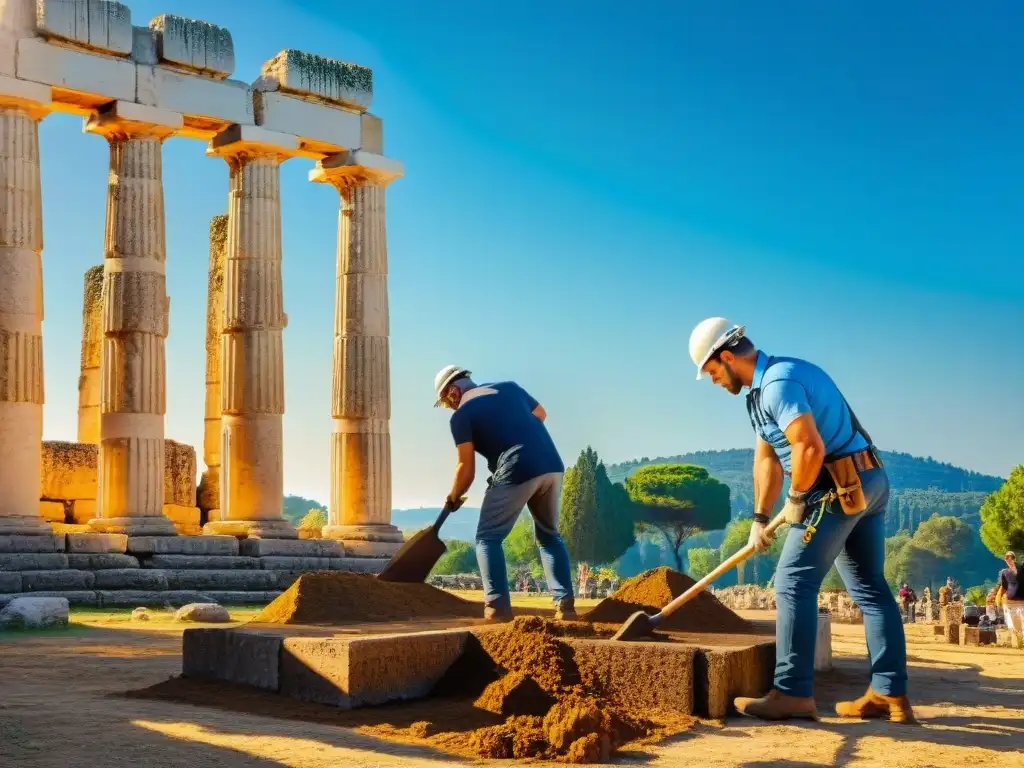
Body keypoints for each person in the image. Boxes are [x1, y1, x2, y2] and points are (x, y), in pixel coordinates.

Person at [688, 317, 913, 723]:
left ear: (726, 357)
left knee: (793, 582)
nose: (714, 382)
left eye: (712, 373)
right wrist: (760, 517)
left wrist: (795, 498)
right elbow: (768, 458)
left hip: (838, 483)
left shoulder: (778, 384)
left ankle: (792, 693)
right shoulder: (761, 392)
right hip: (867, 478)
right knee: (869, 587)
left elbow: (808, 446)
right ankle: (889, 692)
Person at [433, 365, 576, 622]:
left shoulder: (462, 416)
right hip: (552, 466)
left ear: (453, 391)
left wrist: (453, 497)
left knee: (487, 538)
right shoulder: (510, 388)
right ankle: (565, 607)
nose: (449, 407)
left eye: (446, 401)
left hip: (516, 468)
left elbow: (466, 469)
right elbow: (541, 414)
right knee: (549, 537)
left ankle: (497, 608)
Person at [996, 551, 1023, 646]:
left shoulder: (1022, 569)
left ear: (1014, 559)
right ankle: (1019, 642)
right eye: (1006, 558)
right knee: (1014, 623)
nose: (1008, 560)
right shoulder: (1005, 573)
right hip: (1011, 600)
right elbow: (1004, 587)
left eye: (1010, 557)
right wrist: (999, 599)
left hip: (1022, 600)